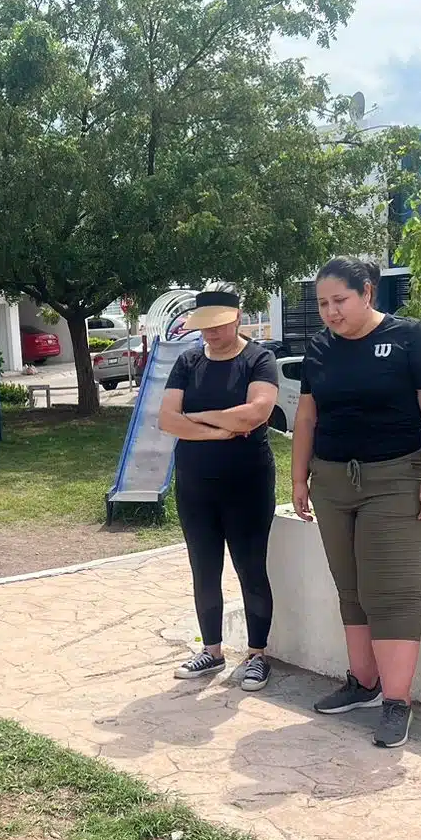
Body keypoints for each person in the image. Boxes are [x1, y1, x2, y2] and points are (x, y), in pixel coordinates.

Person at [290, 258, 421, 749]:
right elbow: (306, 418)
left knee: (393, 594)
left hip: (395, 480)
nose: (330, 312)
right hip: (333, 482)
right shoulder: (319, 349)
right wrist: (299, 478)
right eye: (322, 303)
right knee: (351, 588)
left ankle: (396, 701)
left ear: (367, 292)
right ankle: (362, 684)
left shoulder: (409, 339)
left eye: (339, 300)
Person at [158, 289, 281, 691]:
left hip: (247, 481)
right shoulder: (187, 361)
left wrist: (196, 419)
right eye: (203, 326)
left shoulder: (258, 359)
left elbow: (256, 412)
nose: (210, 332)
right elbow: (166, 420)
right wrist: (223, 431)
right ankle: (211, 651)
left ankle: (258, 654)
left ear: (237, 318)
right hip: (195, 483)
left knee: (250, 568)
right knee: (204, 568)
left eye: (218, 324)